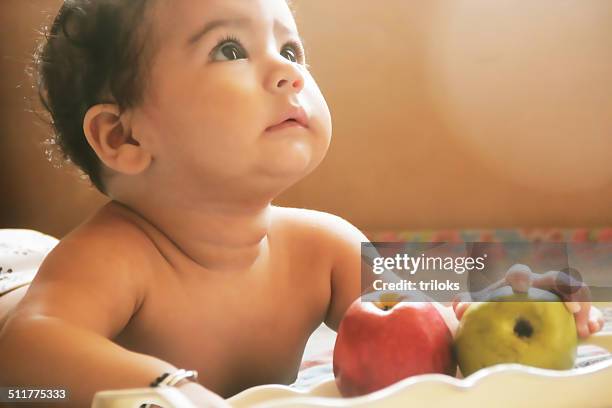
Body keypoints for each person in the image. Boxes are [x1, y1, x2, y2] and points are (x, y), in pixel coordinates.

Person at [0, 0, 604, 406]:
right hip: (17, 271)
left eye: (291, 51)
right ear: (124, 137)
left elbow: (425, 322)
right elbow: (25, 358)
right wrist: (166, 390)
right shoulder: (114, 256)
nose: (288, 74)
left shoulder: (323, 246)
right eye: (230, 50)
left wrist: (514, 302)